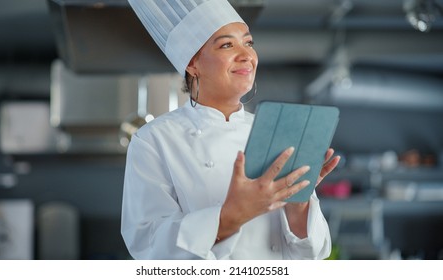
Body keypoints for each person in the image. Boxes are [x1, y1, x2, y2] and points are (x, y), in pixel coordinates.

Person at [121, 0, 340, 260]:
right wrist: (230, 217)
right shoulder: (154, 140)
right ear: (192, 63)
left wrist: (297, 201)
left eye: (248, 43)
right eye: (227, 45)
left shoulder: (275, 130)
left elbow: (313, 255)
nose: (247, 54)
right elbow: (150, 247)